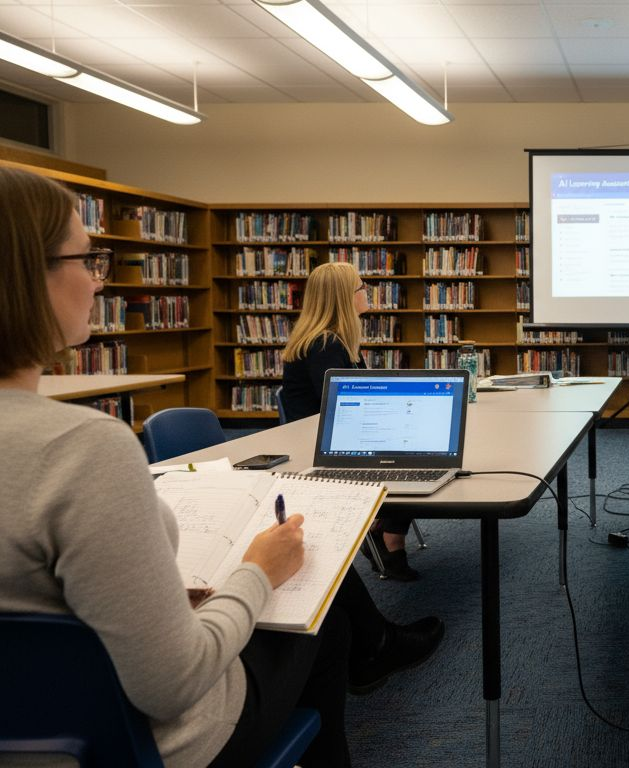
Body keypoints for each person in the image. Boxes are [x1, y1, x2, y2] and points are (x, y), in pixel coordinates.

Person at [0, 166, 443, 766]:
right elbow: (172, 685)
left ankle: (373, 649)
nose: (100, 283)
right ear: (28, 277)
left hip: (28, 727)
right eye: (90, 260)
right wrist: (257, 573)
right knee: (314, 588)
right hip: (126, 740)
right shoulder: (81, 450)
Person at [281, 261, 420, 581]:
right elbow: (344, 406)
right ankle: (389, 537)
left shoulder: (335, 341)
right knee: (411, 452)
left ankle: (380, 527)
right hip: (320, 445)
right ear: (344, 297)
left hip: (334, 437)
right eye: (361, 287)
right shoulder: (324, 345)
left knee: (410, 441)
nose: (366, 291)